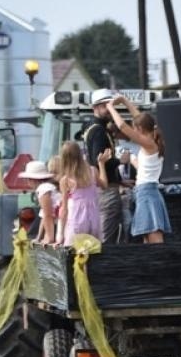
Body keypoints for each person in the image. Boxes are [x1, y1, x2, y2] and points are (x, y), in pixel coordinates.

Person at [109, 94, 170, 244]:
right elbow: (140, 118)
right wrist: (124, 101)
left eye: (136, 128)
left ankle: (162, 264)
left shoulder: (149, 144)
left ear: (140, 129)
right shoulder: (153, 139)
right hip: (146, 191)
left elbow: (123, 126)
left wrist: (110, 108)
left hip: (147, 192)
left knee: (153, 236)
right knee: (147, 237)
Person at [85, 89, 133, 243]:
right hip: (106, 191)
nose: (109, 109)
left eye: (110, 105)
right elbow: (98, 161)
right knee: (107, 238)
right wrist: (121, 161)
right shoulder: (99, 131)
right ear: (95, 108)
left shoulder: (95, 128)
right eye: (105, 105)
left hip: (103, 188)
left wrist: (119, 180)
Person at [56, 140, 102, 244]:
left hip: (77, 219)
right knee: (93, 253)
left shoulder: (66, 180)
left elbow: (64, 210)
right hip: (94, 219)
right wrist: (102, 164)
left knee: (73, 255)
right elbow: (104, 184)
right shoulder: (92, 171)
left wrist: (61, 235)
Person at [22, 159, 59, 245]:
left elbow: (47, 215)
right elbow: (44, 215)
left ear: (33, 180)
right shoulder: (47, 187)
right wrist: (39, 237)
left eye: (28, 180)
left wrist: (49, 238)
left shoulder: (44, 189)